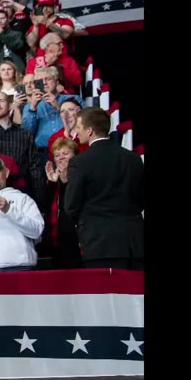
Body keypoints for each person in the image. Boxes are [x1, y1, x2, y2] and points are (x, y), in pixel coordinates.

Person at [65, 108, 144, 270]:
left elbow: (71, 206)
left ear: (90, 130)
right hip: (134, 244)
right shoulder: (133, 159)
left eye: (78, 128)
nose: (76, 133)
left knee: (104, 294)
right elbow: (141, 200)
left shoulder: (80, 162)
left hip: (99, 245)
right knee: (135, 294)